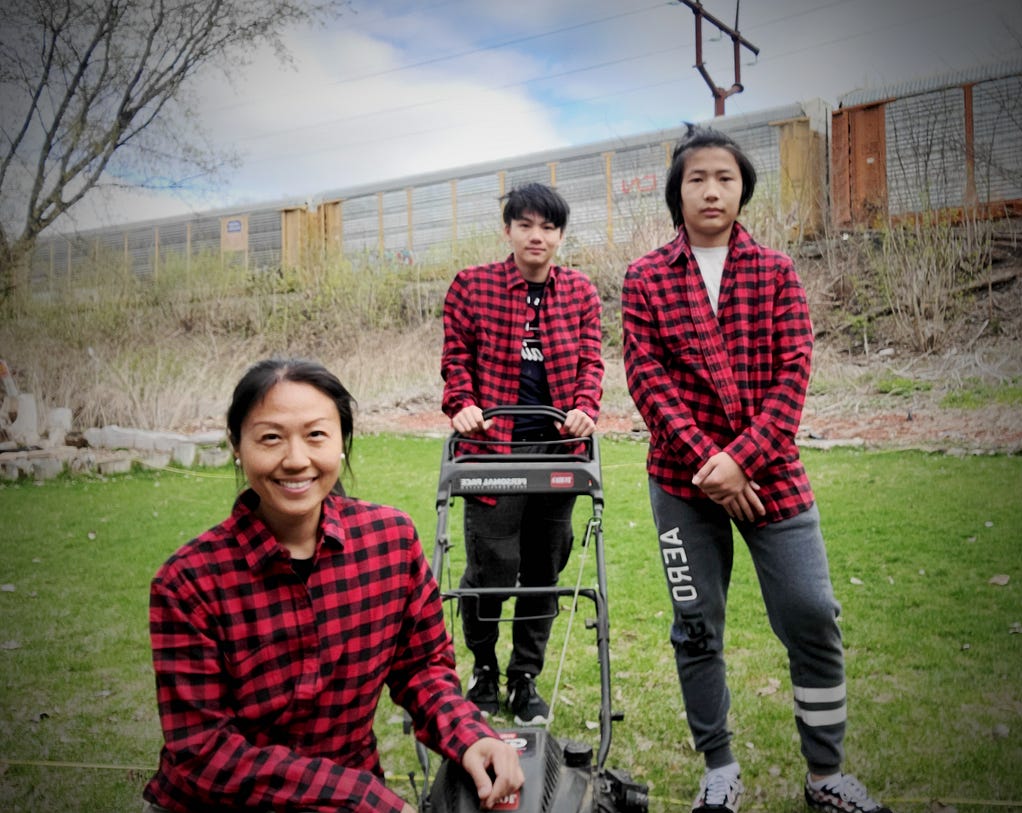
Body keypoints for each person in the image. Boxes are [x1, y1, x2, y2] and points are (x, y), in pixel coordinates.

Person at [621, 127, 893, 813]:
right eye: (696, 178)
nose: (711, 189)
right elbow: (646, 378)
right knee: (697, 625)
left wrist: (741, 459)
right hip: (682, 481)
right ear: (676, 191)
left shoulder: (775, 271)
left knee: (811, 612)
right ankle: (719, 768)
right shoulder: (646, 277)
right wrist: (709, 464)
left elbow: (794, 372)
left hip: (770, 469)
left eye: (725, 177)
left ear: (743, 189)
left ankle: (826, 773)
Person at [143, 358, 523, 813]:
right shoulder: (188, 583)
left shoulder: (390, 541)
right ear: (236, 447)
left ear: (342, 442)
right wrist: (361, 798)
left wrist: (470, 736)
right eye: (270, 438)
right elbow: (205, 752)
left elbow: (422, 668)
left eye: (316, 435)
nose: (296, 459)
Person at [440, 182, 604, 726]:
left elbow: (591, 364)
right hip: (492, 448)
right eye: (526, 225)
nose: (538, 236)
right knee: (493, 567)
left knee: (545, 565)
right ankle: (483, 668)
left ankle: (524, 677)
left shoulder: (580, 292)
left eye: (549, 227)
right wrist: (461, 402)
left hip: (558, 447)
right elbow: (455, 356)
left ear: (560, 234)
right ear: (507, 229)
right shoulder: (472, 286)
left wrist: (585, 406)